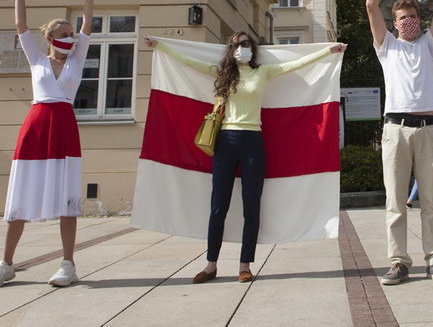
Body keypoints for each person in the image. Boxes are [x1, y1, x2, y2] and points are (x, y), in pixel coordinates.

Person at [146, 32, 346, 284]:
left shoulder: (262, 72)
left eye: (247, 43)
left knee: (251, 207)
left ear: (253, 48)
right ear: (230, 49)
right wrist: (161, 46)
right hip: (226, 140)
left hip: (253, 141)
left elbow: (295, 64)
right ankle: (211, 265)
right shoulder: (222, 73)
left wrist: (328, 52)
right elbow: (187, 61)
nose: (243, 47)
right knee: (218, 207)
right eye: (238, 44)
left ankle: (245, 265)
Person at [0, 0, 95, 289]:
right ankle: (5, 264)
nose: (71, 37)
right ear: (50, 38)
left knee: (68, 199)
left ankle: (68, 264)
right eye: (64, 33)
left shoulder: (77, 59)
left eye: (72, 33)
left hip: (64, 129)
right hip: (36, 126)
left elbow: (88, 25)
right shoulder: (36, 59)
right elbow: (21, 26)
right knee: (19, 197)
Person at [367, 0, 433, 285]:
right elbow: (371, 4)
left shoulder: (428, 44)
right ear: (394, 22)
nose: (409, 21)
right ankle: (398, 262)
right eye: (403, 17)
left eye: (414, 16)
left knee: (432, 201)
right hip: (395, 130)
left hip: (429, 128)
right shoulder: (386, 46)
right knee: (396, 202)